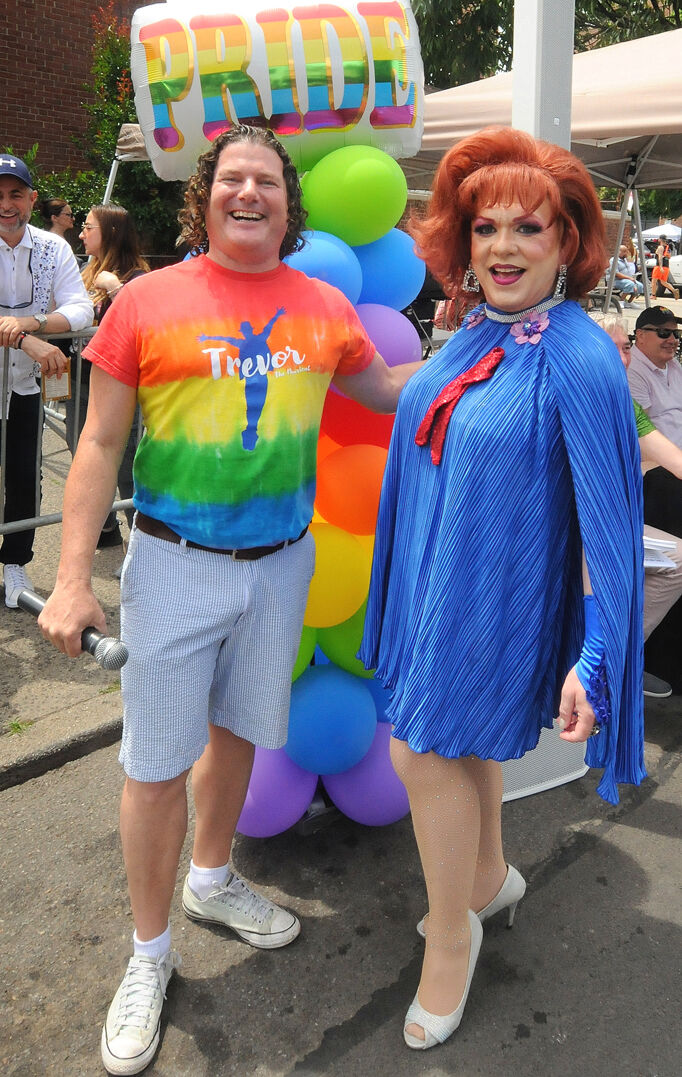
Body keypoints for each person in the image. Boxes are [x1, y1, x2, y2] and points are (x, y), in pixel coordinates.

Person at [38, 125, 420, 1076]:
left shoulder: (324, 303)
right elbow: (94, 447)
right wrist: (75, 577)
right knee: (156, 765)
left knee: (243, 729)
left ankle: (212, 878)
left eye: (267, 182)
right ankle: (149, 955)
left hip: (282, 562)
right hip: (175, 566)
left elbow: (380, 391)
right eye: (232, 179)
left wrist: (495, 346)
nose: (250, 192)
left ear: (289, 207)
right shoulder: (147, 302)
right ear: (204, 199)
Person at [359, 127, 645, 1052]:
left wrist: (597, 651)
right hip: (436, 579)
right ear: (463, 240)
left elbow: (606, 520)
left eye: (531, 227)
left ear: (568, 243)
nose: (505, 247)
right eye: (486, 229)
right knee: (442, 743)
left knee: (424, 753)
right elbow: (417, 398)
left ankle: (453, 933)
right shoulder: (474, 327)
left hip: (500, 594)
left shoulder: (580, 354)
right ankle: (484, 878)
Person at [0, 154, 92, 607]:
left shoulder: (54, 248)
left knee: (23, 475)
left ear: (32, 199)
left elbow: (81, 308)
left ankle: (15, 565)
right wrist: (26, 341)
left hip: (26, 387)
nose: (6, 203)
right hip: (16, 370)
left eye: (15, 193)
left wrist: (32, 326)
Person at [592, 312, 682, 697]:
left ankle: (618, 658)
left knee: (675, 559)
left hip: (609, 520)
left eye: (624, 348)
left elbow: (668, 454)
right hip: (566, 524)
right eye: (609, 349)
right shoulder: (554, 393)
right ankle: (605, 662)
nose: (621, 358)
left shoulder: (624, 404)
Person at [67, 204, 150, 547]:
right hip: (81, 382)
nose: (82, 233)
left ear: (111, 233)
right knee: (83, 453)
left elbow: (146, 323)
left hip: (120, 388)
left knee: (126, 465)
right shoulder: (83, 273)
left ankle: (142, 545)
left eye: (89, 228)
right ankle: (107, 530)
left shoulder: (138, 278)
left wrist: (116, 289)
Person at [627, 305, 682, 537]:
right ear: (640, 335)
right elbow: (642, 438)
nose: (672, 339)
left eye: (675, 333)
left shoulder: (672, 364)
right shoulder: (633, 370)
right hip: (658, 466)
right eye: (663, 333)